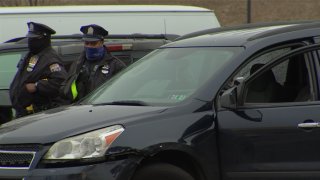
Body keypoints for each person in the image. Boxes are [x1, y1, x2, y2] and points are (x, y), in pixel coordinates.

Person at [10, 22, 68, 118]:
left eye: (34, 39)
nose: (30, 41)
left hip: (38, 114)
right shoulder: (33, 55)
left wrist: (37, 86)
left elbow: (60, 81)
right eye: (30, 38)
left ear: (43, 39)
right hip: (23, 113)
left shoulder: (50, 59)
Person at [61, 24, 126, 102]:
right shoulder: (78, 64)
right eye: (87, 43)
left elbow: (121, 93)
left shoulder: (116, 66)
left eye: (93, 43)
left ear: (102, 42)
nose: (89, 46)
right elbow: (66, 90)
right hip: (79, 109)